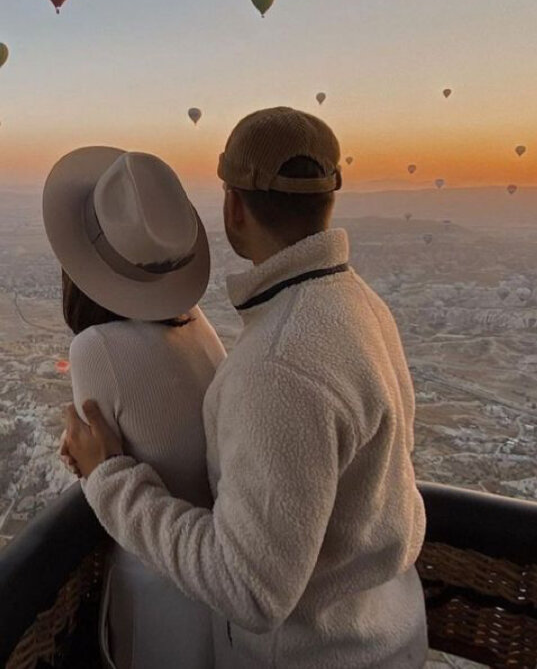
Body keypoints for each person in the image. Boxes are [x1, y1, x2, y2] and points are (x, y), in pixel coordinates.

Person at [63, 108, 429, 668]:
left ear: (233, 206)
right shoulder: (361, 307)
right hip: (387, 635)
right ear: (328, 199)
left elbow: (249, 590)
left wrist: (108, 478)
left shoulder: (278, 364)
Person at [43, 146, 227, 668]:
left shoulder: (95, 346)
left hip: (160, 580)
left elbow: (98, 464)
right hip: (210, 590)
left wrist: (88, 462)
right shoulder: (196, 322)